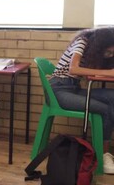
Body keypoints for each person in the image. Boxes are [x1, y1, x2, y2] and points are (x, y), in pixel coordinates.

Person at [49, 27, 114, 175]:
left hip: (74, 88)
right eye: (108, 52)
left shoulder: (92, 51)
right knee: (105, 109)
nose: (109, 55)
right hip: (59, 90)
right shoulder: (82, 42)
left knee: (112, 97)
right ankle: (102, 156)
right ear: (100, 44)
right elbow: (74, 69)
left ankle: (103, 151)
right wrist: (108, 73)